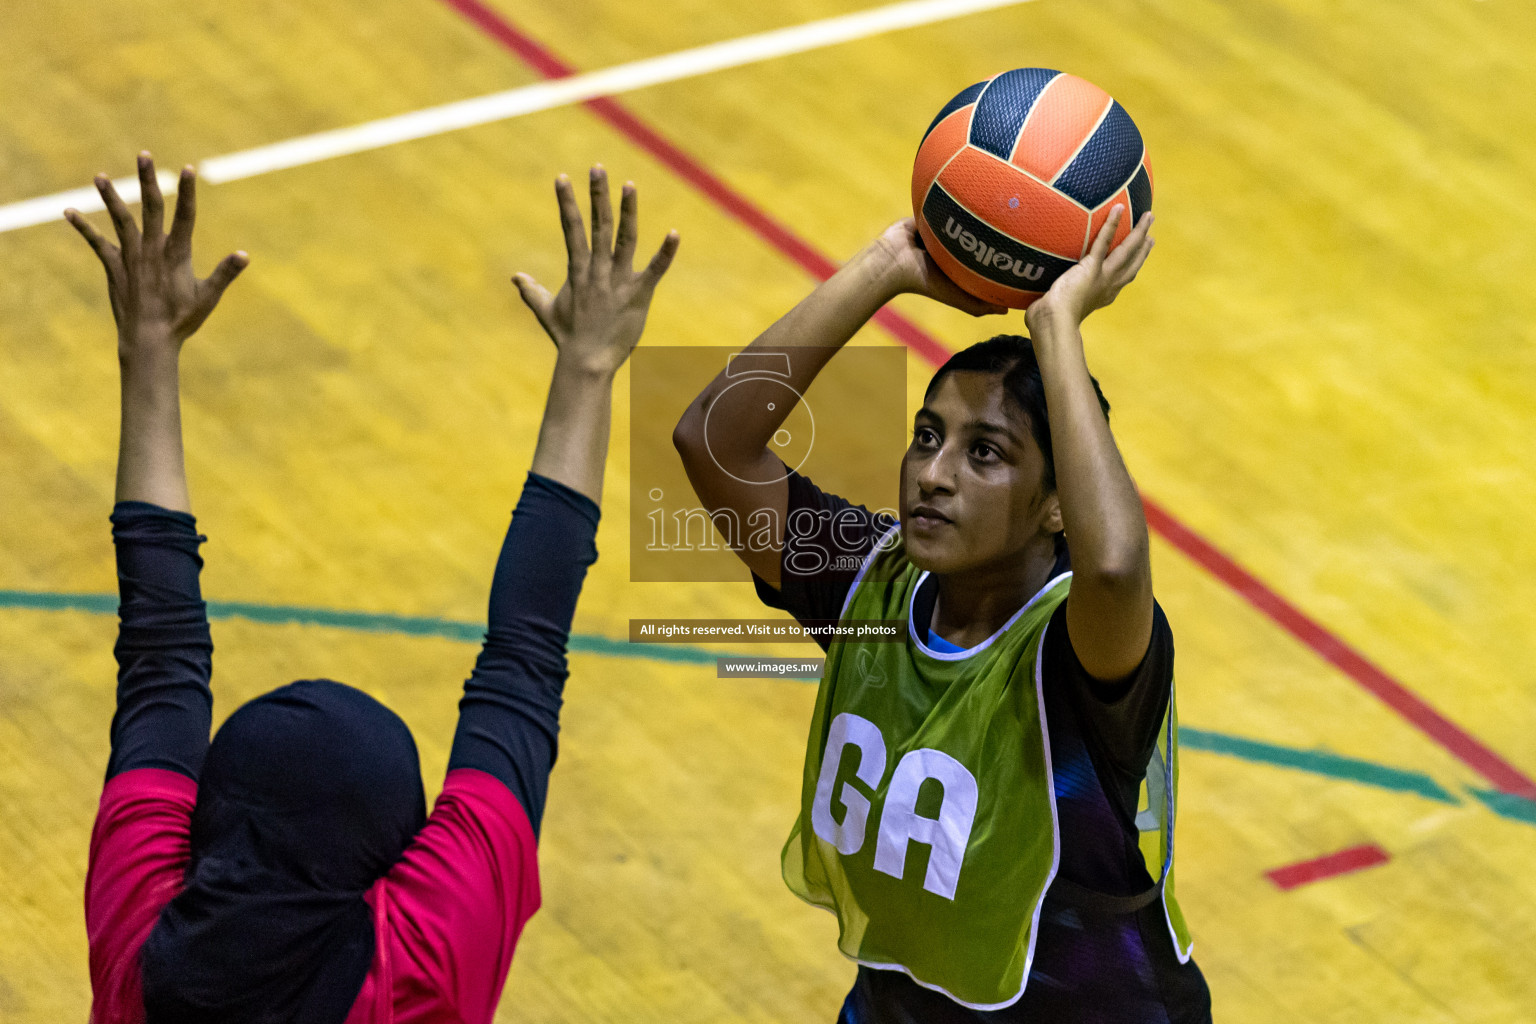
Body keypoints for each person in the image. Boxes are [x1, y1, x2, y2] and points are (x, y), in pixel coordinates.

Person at [67, 153, 678, 1024]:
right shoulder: (417, 965)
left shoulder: (144, 946)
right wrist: (588, 368)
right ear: (385, 865)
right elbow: (524, 658)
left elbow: (160, 660)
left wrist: (147, 350)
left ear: (204, 839)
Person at [673, 209, 1212, 1022]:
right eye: (926, 437)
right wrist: (886, 266)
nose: (933, 473)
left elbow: (1114, 563)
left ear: (1059, 503)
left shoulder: (1078, 647)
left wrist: (1057, 324)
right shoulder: (870, 579)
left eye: (983, 452)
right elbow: (711, 442)